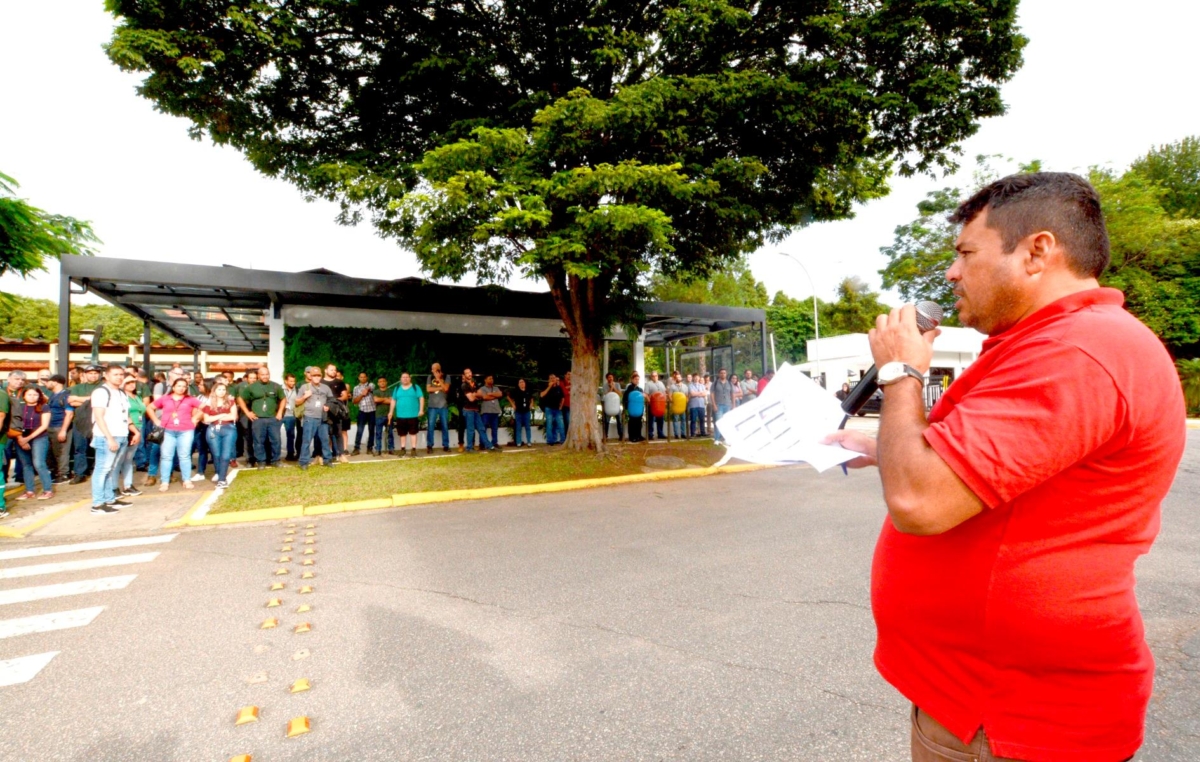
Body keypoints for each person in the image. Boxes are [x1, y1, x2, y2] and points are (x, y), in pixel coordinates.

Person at [823, 172, 1187, 762]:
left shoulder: (1076, 350)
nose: (951, 272)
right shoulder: (1051, 343)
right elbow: (990, 454)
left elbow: (922, 502)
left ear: (1038, 251)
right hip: (990, 704)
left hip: (1014, 723)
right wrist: (879, 445)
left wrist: (900, 373)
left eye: (967, 252)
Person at [89, 365, 137, 514]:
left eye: (121, 374)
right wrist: (109, 438)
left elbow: (126, 414)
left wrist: (134, 431)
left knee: (111, 469)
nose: (119, 377)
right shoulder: (101, 392)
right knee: (102, 469)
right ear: (107, 376)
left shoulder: (121, 393)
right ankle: (97, 504)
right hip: (106, 436)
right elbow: (98, 416)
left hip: (121, 435)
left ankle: (110, 498)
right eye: (115, 374)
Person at [147, 376, 202, 492]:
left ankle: (187, 480)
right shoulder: (165, 398)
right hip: (167, 430)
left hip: (186, 430)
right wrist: (156, 421)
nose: (181, 388)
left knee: (185, 456)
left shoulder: (190, 399)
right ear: (173, 387)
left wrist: (195, 418)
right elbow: (150, 407)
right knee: (166, 456)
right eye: (179, 386)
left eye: (184, 386)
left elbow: (204, 408)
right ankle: (164, 481)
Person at [239, 364, 286, 469]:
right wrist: (247, 412)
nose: (265, 376)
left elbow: (283, 399)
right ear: (258, 375)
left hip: (273, 418)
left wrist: (279, 412)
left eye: (267, 374)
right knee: (258, 441)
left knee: (276, 440)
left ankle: (276, 460)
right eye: (262, 374)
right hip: (258, 419)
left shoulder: (275, 386)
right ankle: (261, 461)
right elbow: (240, 399)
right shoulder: (252, 387)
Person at [14, 387, 53, 500]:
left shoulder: (44, 407)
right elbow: (14, 424)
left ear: (39, 396)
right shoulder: (19, 407)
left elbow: (44, 426)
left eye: (35, 395)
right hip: (21, 437)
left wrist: (28, 438)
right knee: (26, 465)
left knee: (39, 463)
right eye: (29, 394)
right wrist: (21, 439)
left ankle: (47, 490)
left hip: (39, 437)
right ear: (24, 396)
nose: (32, 397)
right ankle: (29, 491)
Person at [67, 365, 102, 484]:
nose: (93, 375)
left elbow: (99, 400)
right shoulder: (77, 387)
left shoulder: (102, 387)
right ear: (85, 375)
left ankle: (99, 472)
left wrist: (79, 399)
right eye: (90, 373)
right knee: (79, 448)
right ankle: (79, 473)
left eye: (95, 373)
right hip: (80, 421)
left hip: (98, 420)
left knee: (99, 447)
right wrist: (90, 399)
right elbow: (71, 401)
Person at [296, 367, 334, 469]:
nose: (316, 378)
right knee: (307, 440)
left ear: (321, 376)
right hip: (309, 417)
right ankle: (304, 462)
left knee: (325, 440)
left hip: (323, 417)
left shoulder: (326, 388)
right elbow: (296, 402)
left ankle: (327, 460)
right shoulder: (305, 387)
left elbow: (331, 400)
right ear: (310, 376)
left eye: (318, 375)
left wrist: (328, 406)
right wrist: (304, 397)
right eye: (314, 376)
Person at [202, 381, 239, 488]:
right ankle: (219, 473)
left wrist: (217, 416)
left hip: (229, 429)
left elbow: (233, 417)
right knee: (216, 454)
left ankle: (222, 480)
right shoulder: (209, 403)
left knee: (225, 455)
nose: (222, 392)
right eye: (219, 389)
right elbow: (206, 419)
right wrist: (222, 414)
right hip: (213, 430)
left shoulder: (230, 402)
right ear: (214, 391)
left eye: (223, 389)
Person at [115, 376, 145, 498]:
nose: (132, 384)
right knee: (118, 460)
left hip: (138, 427)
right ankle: (114, 487)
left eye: (133, 382)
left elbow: (141, 411)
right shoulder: (121, 396)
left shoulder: (136, 396)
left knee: (128, 459)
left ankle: (128, 485)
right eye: (128, 382)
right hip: (126, 428)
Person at [387, 371, 425, 458]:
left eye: (407, 377)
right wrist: (391, 412)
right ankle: (403, 449)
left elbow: (421, 398)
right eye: (403, 377)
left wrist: (421, 410)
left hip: (413, 415)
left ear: (410, 378)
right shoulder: (397, 388)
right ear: (400, 379)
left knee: (413, 433)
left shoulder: (416, 387)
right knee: (402, 434)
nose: (405, 378)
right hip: (401, 415)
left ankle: (413, 450)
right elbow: (393, 400)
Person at [44, 375, 73, 485]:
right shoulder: (53, 395)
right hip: (51, 426)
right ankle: (56, 473)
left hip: (60, 426)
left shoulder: (66, 395)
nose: (46, 384)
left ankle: (63, 474)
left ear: (55, 382)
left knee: (62, 452)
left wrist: (63, 430)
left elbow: (69, 414)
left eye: (48, 381)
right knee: (53, 452)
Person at [459, 368, 492, 452]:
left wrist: (475, 394)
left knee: (481, 428)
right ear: (464, 375)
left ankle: (488, 446)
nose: (469, 374)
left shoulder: (475, 383)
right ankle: (469, 448)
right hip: (468, 410)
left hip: (475, 409)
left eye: (470, 372)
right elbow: (471, 399)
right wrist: (476, 395)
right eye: (467, 373)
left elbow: (481, 395)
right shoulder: (464, 385)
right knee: (470, 429)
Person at [324, 364, 350, 462]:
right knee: (324, 434)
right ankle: (322, 455)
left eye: (335, 370)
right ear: (326, 371)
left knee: (338, 433)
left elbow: (344, 396)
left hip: (337, 412)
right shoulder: (321, 382)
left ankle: (341, 454)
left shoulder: (339, 382)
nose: (334, 372)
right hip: (324, 411)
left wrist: (333, 402)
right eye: (331, 370)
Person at [425, 363, 451, 454]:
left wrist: (439, 379)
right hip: (432, 406)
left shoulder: (446, 376)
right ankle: (429, 445)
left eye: (433, 369)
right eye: (432, 369)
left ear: (438, 369)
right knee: (431, 426)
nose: (432, 371)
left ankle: (446, 445)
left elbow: (446, 389)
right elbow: (428, 390)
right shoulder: (430, 377)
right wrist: (441, 387)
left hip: (443, 406)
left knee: (445, 426)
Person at [351, 372, 376, 456]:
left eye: (364, 377)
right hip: (362, 411)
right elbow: (354, 401)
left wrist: (367, 389)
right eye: (361, 377)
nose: (363, 378)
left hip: (372, 410)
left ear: (367, 377)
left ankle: (370, 448)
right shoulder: (356, 388)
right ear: (359, 378)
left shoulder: (371, 384)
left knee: (371, 430)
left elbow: (371, 387)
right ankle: (356, 448)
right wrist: (362, 395)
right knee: (359, 430)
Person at [477, 375, 503, 450]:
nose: (491, 380)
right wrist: (495, 395)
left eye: (492, 378)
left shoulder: (496, 388)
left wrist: (490, 394)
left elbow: (500, 394)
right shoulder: (482, 388)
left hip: (495, 411)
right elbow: (484, 397)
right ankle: (482, 444)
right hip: (486, 411)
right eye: (490, 378)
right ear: (485, 380)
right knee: (483, 428)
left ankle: (494, 443)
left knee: (494, 428)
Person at [507, 378, 534, 447]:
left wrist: (531, 404)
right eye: (520, 382)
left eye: (523, 382)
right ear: (518, 384)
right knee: (518, 427)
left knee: (527, 426)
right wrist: (513, 404)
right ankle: (518, 442)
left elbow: (532, 398)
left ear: (525, 383)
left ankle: (529, 441)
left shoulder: (528, 391)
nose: (522, 383)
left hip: (526, 411)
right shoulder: (516, 391)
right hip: (518, 411)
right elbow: (508, 397)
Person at [539, 374, 564, 445]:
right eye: (551, 378)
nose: (553, 379)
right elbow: (542, 395)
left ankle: (563, 440)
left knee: (560, 425)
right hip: (549, 409)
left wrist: (561, 406)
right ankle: (550, 441)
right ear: (549, 380)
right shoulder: (546, 387)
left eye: (554, 378)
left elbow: (562, 398)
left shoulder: (559, 388)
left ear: (556, 379)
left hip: (557, 409)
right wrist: (549, 386)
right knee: (549, 425)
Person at [710, 368, 734, 443]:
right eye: (721, 373)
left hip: (727, 405)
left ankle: (726, 438)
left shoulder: (729, 383)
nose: (723, 374)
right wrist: (714, 404)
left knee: (726, 422)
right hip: (718, 405)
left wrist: (733, 404)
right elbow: (712, 394)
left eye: (724, 373)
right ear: (719, 374)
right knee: (718, 422)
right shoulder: (715, 383)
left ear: (726, 374)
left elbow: (732, 394)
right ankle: (717, 439)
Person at [372, 377, 394, 456]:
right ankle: (378, 449)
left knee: (390, 433)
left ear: (386, 382)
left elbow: (392, 401)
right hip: (379, 415)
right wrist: (386, 399)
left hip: (389, 415)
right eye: (380, 381)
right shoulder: (375, 391)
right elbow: (375, 400)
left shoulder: (391, 391)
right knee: (378, 433)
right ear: (378, 383)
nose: (382, 383)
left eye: (383, 381)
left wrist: (381, 400)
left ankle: (391, 449)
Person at [601, 373, 624, 442]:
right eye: (609, 377)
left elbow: (620, 394)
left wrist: (614, 387)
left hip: (616, 405)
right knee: (606, 421)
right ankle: (606, 436)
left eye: (611, 377)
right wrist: (611, 388)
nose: (610, 378)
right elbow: (605, 395)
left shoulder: (617, 384)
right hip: (608, 405)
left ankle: (621, 435)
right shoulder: (605, 386)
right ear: (607, 378)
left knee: (619, 420)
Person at [281, 373, 299, 461]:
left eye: (294, 381)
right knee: (275, 435)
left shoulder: (297, 390)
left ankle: (290, 454)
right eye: (291, 381)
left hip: (291, 415)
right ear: (286, 381)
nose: (293, 383)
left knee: (291, 435)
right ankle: (273, 455)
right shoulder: (280, 389)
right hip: (280, 415)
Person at [623, 372, 645, 443]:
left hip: (639, 409)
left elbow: (642, 399)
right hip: (631, 409)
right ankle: (632, 437)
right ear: (632, 380)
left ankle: (638, 435)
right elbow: (624, 399)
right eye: (635, 379)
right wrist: (626, 408)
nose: (637, 381)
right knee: (632, 422)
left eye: (638, 379)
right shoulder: (628, 390)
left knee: (639, 422)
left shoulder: (640, 389)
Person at [644, 370, 667, 440]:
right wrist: (650, 401)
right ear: (651, 377)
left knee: (660, 419)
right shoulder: (648, 384)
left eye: (656, 376)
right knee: (650, 420)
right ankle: (650, 434)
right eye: (653, 376)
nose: (655, 377)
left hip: (660, 405)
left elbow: (664, 393)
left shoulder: (661, 383)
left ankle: (660, 433)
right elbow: (645, 394)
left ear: (658, 376)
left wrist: (664, 402)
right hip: (652, 405)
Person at [668, 371, 689, 439]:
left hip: (683, 406)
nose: (678, 378)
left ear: (681, 378)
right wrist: (672, 402)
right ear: (675, 379)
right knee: (675, 420)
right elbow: (670, 396)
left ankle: (683, 434)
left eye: (679, 377)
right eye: (676, 377)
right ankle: (676, 434)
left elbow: (687, 396)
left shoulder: (685, 386)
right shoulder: (672, 386)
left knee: (683, 419)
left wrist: (686, 401)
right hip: (676, 406)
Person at [687, 373, 708, 438]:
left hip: (701, 405)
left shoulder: (702, 385)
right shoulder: (690, 386)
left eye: (697, 377)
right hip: (693, 405)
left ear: (699, 378)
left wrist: (697, 394)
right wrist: (700, 393)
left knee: (702, 419)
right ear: (693, 378)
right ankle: (693, 433)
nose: (696, 378)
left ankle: (703, 432)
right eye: (695, 377)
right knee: (693, 420)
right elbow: (692, 394)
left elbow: (705, 394)